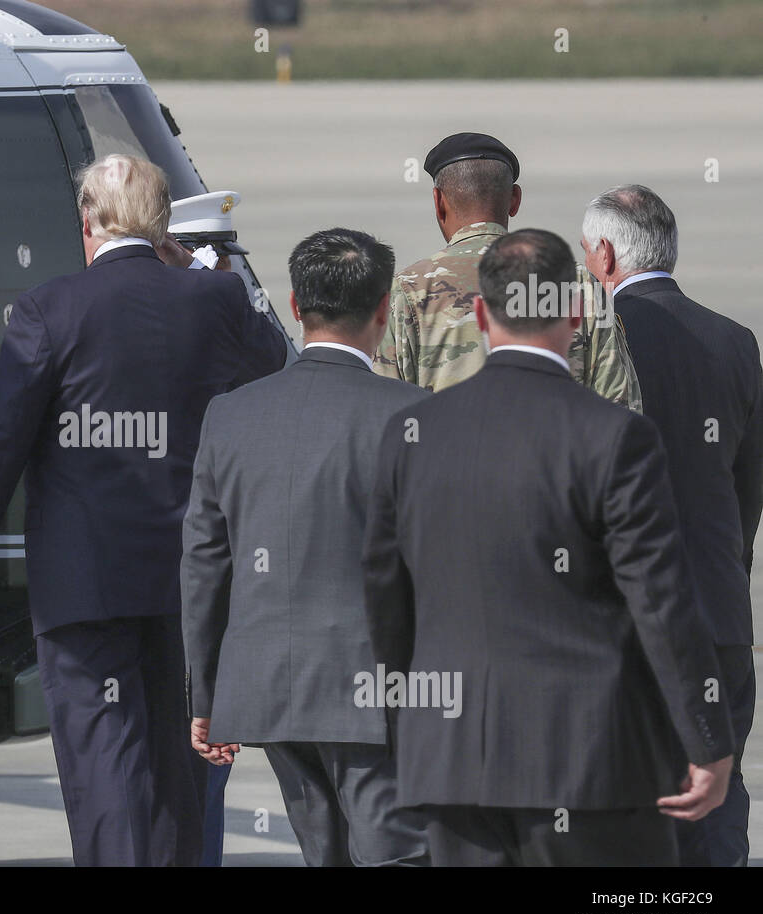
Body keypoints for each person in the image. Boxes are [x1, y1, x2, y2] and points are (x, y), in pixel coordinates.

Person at [0, 154, 288, 866]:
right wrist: (204, 276)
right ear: (164, 228)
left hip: (86, 581)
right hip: (189, 585)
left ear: (87, 224)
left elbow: (0, 442)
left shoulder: (50, 308)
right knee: (177, 782)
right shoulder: (214, 302)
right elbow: (274, 364)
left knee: (105, 773)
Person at [362, 228, 734, 866]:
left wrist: (415, 725)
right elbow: (660, 601)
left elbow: (384, 594)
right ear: (574, 312)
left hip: (455, 764)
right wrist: (706, 739)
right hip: (590, 762)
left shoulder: (409, 433)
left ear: (480, 314)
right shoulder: (616, 436)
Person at [182, 228, 430, 867]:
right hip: (378, 687)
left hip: (269, 683)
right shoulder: (414, 414)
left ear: (294, 305)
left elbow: (206, 564)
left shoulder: (231, 415)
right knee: (396, 852)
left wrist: (205, 696)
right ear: (384, 309)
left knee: (326, 853)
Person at [582, 184, 763, 867]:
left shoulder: (588, 343)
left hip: (623, 622)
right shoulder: (735, 342)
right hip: (717, 612)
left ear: (602, 255)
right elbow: (748, 489)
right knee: (716, 797)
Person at [373, 132, 641, 410]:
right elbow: (621, 408)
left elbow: (386, 414)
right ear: (514, 200)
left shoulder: (404, 292)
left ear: (439, 202)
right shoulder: (578, 284)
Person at [165, 187, 257, 866]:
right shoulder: (164, 324)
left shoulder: (238, 324)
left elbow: (275, 362)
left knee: (205, 769)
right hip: (184, 570)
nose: (228, 273)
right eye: (214, 261)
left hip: (218, 573)